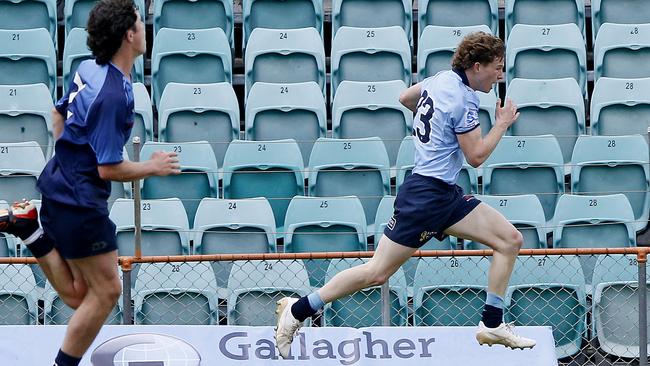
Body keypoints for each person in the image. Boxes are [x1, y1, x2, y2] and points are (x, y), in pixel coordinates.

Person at [274, 31, 536, 359]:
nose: (501, 75)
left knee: (509, 240)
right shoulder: (463, 98)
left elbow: (405, 98)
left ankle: (492, 322)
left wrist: (435, 127)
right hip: (429, 196)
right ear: (476, 65)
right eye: (496, 68)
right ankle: (297, 311)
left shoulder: (440, 80)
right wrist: (501, 124)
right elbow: (477, 157)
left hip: (439, 192)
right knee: (377, 272)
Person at [0, 0, 180, 365]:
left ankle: (29, 228)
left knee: (83, 294)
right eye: (140, 24)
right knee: (108, 290)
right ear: (129, 35)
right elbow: (108, 169)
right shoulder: (112, 95)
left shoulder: (89, 68)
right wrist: (152, 166)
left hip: (58, 185)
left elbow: (57, 112)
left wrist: (70, 159)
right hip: (81, 201)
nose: (146, 29)